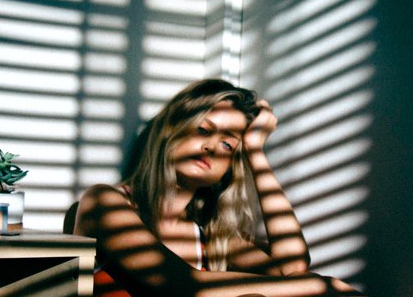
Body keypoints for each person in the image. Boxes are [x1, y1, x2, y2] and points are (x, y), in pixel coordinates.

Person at [73, 78, 364, 297]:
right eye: (203, 129)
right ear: (169, 130)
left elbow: (293, 269)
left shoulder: (209, 236)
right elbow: (185, 287)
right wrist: (320, 286)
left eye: (228, 143)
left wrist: (255, 152)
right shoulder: (105, 201)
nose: (212, 146)